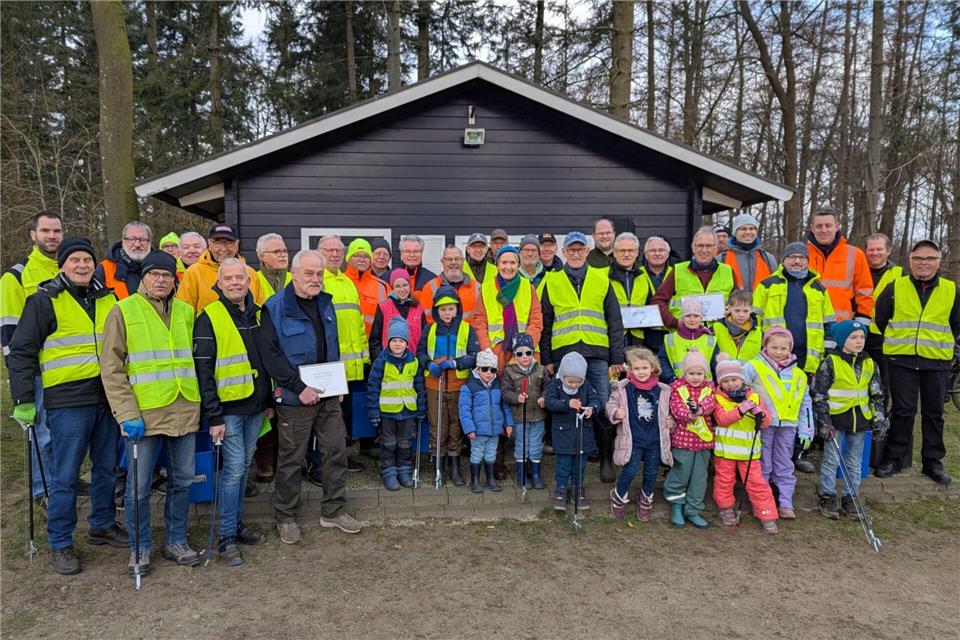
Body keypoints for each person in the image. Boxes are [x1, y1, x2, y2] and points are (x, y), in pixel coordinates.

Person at [8, 237, 126, 575]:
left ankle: (102, 524)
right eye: (74, 260)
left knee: (106, 468)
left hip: (107, 397)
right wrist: (24, 399)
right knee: (66, 475)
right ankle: (60, 541)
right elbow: (21, 353)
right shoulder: (44, 300)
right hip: (68, 401)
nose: (82, 265)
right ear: (62, 265)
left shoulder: (108, 298)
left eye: (87, 260)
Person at [100, 250, 201, 575]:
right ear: (143, 277)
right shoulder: (123, 310)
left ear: (174, 280)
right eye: (154, 274)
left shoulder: (186, 311)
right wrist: (126, 413)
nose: (161, 280)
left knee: (182, 481)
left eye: (167, 275)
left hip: (184, 409)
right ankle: (140, 548)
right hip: (143, 415)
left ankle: (176, 541)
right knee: (138, 488)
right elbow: (111, 367)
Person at [258, 250, 364, 541]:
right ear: (294, 274)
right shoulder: (275, 307)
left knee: (336, 452)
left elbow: (332, 346)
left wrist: (338, 385)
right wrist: (298, 387)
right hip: (295, 400)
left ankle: (333, 511)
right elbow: (270, 355)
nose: (315, 279)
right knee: (291, 459)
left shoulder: (325, 303)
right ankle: (286, 516)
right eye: (309, 273)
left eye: (319, 274)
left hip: (329, 397)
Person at [193, 258, 270, 566]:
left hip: (256, 406)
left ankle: (236, 525)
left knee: (244, 466)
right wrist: (213, 415)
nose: (236, 282)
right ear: (219, 283)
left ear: (249, 282)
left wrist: (269, 402)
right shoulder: (209, 317)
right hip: (229, 411)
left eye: (240, 278)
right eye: (229, 278)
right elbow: (204, 371)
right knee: (235, 469)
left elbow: (267, 358)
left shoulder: (259, 314)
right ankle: (226, 537)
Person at [539, 230, 624, 483]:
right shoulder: (552, 281)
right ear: (564, 252)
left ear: (587, 251)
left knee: (602, 404)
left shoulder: (602, 278)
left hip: (597, 352)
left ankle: (605, 459)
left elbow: (614, 320)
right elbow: (545, 322)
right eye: (571, 250)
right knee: (564, 404)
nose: (575, 254)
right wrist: (547, 358)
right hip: (564, 353)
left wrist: (616, 357)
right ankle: (566, 461)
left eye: (580, 249)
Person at [875, 240, 959, 485]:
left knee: (934, 413)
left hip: (936, 362)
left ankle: (933, 462)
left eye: (930, 258)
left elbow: (956, 324)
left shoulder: (952, 290)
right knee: (902, 411)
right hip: (901, 360)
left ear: (939, 262)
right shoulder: (895, 287)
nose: (924, 263)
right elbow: (881, 319)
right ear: (910, 261)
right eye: (919, 258)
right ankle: (894, 458)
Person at [1, 211, 63, 504]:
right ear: (33, 235)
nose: (52, 236)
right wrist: (20, 383)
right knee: (43, 432)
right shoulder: (15, 276)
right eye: (45, 231)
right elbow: (9, 334)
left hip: (64, 369)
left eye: (56, 231)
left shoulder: (69, 268)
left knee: (61, 432)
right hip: (36, 371)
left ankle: (62, 480)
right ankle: (44, 489)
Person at [812, 321, 888, 518]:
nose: (859, 341)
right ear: (841, 339)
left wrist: (879, 419)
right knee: (831, 459)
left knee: (854, 461)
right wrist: (824, 421)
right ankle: (827, 495)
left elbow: (877, 395)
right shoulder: (830, 362)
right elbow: (819, 394)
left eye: (862, 337)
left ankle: (850, 497)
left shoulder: (870, 363)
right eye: (853, 337)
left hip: (860, 420)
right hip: (836, 419)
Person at [744, 327, 813, 520]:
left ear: (790, 348)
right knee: (763, 464)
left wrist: (807, 431)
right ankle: (762, 503)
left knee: (784, 464)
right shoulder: (753, 366)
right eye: (774, 347)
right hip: (764, 424)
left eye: (784, 348)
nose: (779, 352)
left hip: (788, 425)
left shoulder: (798, 374)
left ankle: (785, 503)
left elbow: (805, 404)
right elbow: (741, 391)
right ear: (765, 346)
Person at [417, 286, 480, 486]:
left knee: (456, 426)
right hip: (434, 384)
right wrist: (428, 363)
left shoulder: (467, 329)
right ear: (436, 310)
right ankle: (439, 467)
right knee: (438, 426)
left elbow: (474, 356)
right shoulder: (430, 329)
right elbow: (420, 352)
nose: (447, 313)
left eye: (451, 309)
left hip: (458, 385)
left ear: (457, 309)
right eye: (443, 309)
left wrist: (455, 363)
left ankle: (454, 467)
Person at [318, 235, 371, 465]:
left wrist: (364, 358)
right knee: (328, 419)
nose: (334, 254)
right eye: (329, 250)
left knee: (344, 416)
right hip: (329, 365)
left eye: (338, 250)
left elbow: (358, 325)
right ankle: (324, 463)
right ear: (319, 252)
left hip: (350, 367)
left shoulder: (348, 284)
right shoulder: (319, 281)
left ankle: (341, 461)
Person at [711, 357, 778, 533]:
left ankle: (767, 514)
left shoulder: (754, 397)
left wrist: (760, 414)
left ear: (742, 380)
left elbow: (766, 422)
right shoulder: (718, 398)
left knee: (757, 483)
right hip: (725, 452)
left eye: (734, 379)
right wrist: (740, 411)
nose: (731, 384)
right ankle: (726, 508)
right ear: (720, 383)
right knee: (724, 481)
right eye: (726, 381)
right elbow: (721, 419)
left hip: (749, 453)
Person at [606, 347, 672, 522]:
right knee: (630, 469)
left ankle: (646, 497)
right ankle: (618, 494)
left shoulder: (663, 390)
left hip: (655, 439)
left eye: (644, 368)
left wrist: (671, 421)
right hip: (633, 438)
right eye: (636, 368)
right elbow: (611, 403)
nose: (641, 372)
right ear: (630, 369)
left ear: (653, 368)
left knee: (651, 472)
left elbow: (669, 411)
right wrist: (615, 412)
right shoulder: (623, 388)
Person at [753, 242, 835, 375]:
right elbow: (754, 320)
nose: (797, 261)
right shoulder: (767, 285)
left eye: (802, 257)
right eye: (792, 257)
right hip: (774, 355)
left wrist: (828, 353)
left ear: (807, 261)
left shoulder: (819, 289)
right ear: (783, 260)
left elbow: (829, 324)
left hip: (808, 357)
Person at [367, 318, 426, 491]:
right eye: (394, 340)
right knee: (388, 443)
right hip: (387, 411)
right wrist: (373, 411)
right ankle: (389, 472)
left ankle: (404, 471)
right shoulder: (381, 362)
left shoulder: (413, 362)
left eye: (401, 340)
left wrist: (421, 407)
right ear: (388, 342)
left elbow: (419, 387)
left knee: (405, 443)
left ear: (407, 343)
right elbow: (373, 388)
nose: (398, 344)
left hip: (408, 411)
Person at [543, 352, 603, 511]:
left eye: (578, 382)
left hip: (583, 435)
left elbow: (596, 400)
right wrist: (566, 403)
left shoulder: (586, 386)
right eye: (570, 382)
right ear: (563, 376)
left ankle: (577, 489)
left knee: (580, 466)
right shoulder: (555, 385)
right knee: (563, 465)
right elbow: (549, 402)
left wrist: (592, 409)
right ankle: (561, 490)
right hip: (563, 434)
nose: (574, 385)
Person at [664, 349, 717, 528]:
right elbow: (676, 407)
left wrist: (699, 409)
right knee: (681, 471)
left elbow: (711, 404)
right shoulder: (677, 387)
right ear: (684, 373)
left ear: (705, 373)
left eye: (699, 373)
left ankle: (693, 509)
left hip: (703, 441)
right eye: (691, 373)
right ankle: (677, 505)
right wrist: (689, 414)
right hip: (683, 439)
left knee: (699, 477)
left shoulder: (710, 388)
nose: (695, 377)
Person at [475, 245, 544, 372]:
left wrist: (525, 347)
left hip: (526, 352)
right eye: (504, 262)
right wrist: (487, 350)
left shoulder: (528, 287)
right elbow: (480, 323)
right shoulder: (485, 289)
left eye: (512, 263)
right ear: (497, 265)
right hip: (496, 353)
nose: (508, 267)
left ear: (518, 265)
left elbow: (536, 321)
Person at [651, 226, 734, 329]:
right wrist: (674, 322)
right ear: (693, 248)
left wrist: (731, 316)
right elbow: (658, 301)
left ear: (715, 248)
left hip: (719, 332)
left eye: (708, 246)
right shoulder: (678, 270)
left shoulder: (728, 271)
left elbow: (740, 303)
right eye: (700, 245)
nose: (704, 250)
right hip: (684, 334)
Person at [806, 206, 874, 323]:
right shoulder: (801, 255)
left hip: (841, 325)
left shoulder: (855, 254)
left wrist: (862, 325)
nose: (823, 230)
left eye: (828, 225)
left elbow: (865, 293)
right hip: (808, 325)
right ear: (812, 228)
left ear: (837, 226)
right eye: (819, 226)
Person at [460, 348, 514, 493]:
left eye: (492, 370)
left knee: (491, 454)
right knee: (476, 454)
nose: (489, 373)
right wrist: (469, 428)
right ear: (477, 369)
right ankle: (475, 481)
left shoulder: (498, 385)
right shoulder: (469, 387)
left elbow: (504, 406)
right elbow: (464, 410)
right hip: (477, 430)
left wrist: (508, 423)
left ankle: (490, 479)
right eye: (485, 369)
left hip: (495, 428)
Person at [178, 223, 266, 313]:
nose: (224, 249)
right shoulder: (193, 273)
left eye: (229, 243)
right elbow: (183, 313)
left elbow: (261, 310)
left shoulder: (250, 273)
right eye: (218, 243)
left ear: (237, 244)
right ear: (209, 244)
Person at [500, 333, 548, 490]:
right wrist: (516, 398)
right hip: (520, 417)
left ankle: (535, 474)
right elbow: (505, 392)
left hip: (538, 416)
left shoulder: (540, 369)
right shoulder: (509, 371)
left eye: (528, 352)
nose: (524, 357)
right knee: (521, 445)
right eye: (520, 354)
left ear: (533, 353)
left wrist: (544, 397)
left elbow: (548, 386)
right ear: (515, 355)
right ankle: (521, 475)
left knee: (536, 445)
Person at [864, 232, 902, 393]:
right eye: (871, 249)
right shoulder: (858, 270)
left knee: (882, 385)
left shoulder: (899, 274)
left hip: (885, 338)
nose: (875, 253)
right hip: (858, 335)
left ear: (888, 251)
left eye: (879, 249)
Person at [608, 232, 654, 349]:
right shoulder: (603, 275)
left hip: (637, 337)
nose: (626, 254)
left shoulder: (643, 277)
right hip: (611, 336)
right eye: (622, 251)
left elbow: (650, 305)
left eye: (631, 250)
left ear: (637, 253)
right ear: (614, 253)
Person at [370, 268, 427, 362]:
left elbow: (424, 339)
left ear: (410, 285)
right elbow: (375, 339)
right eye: (397, 286)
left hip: (414, 363)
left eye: (405, 285)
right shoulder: (383, 307)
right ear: (392, 287)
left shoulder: (419, 308)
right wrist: (380, 361)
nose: (402, 289)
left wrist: (422, 361)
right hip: (389, 363)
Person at [658, 297, 717, 383]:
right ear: (682, 317)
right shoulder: (670, 339)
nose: (692, 320)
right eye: (688, 316)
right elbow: (663, 362)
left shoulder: (710, 340)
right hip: (676, 386)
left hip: (705, 386)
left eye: (696, 316)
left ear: (701, 318)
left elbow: (715, 365)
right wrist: (672, 379)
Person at [421, 245, 481, 324]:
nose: (453, 262)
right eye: (449, 259)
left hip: (470, 332)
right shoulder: (430, 287)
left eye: (457, 259)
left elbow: (481, 318)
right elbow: (428, 318)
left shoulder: (477, 287)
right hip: (441, 332)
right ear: (442, 262)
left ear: (463, 261)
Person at [720, 213, 777, 292]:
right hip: (732, 300)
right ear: (735, 232)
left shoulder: (768, 258)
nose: (748, 232)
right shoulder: (721, 258)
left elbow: (776, 287)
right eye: (743, 229)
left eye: (751, 228)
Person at [96, 220, 152, 299]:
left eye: (143, 240)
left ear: (150, 243)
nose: (137, 244)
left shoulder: (160, 268)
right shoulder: (104, 269)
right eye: (132, 239)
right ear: (123, 241)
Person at [344, 238, 388, 337]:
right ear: (348, 258)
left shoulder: (382, 286)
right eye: (357, 255)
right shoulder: (339, 282)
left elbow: (389, 319)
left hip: (372, 342)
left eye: (366, 256)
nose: (362, 259)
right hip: (345, 343)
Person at [639, 236, 674, 355]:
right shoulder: (637, 274)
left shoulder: (676, 273)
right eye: (653, 250)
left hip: (671, 332)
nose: (657, 254)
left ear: (668, 254)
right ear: (645, 254)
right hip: (644, 334)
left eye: (661, 250)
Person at [713, 289, 762, 362]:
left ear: (751, 309)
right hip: (722, 369)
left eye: (745, 311)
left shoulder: (758, 332)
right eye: (737, 310)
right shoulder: (716, 328)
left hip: (749, 370)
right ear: (729, 308)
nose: (741, 315)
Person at [399, 234, 437, 305]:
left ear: (422, 253)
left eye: (416, 251)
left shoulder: (432, 279)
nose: (412, 255)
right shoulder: (388, 277)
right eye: (407, 251)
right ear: (401, 253)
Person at [254, 233, 291, 298]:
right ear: (262, 256)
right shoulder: (253, 280)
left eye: (285, 251)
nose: (283, 255)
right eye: (277, 252)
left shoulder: (296, 279)